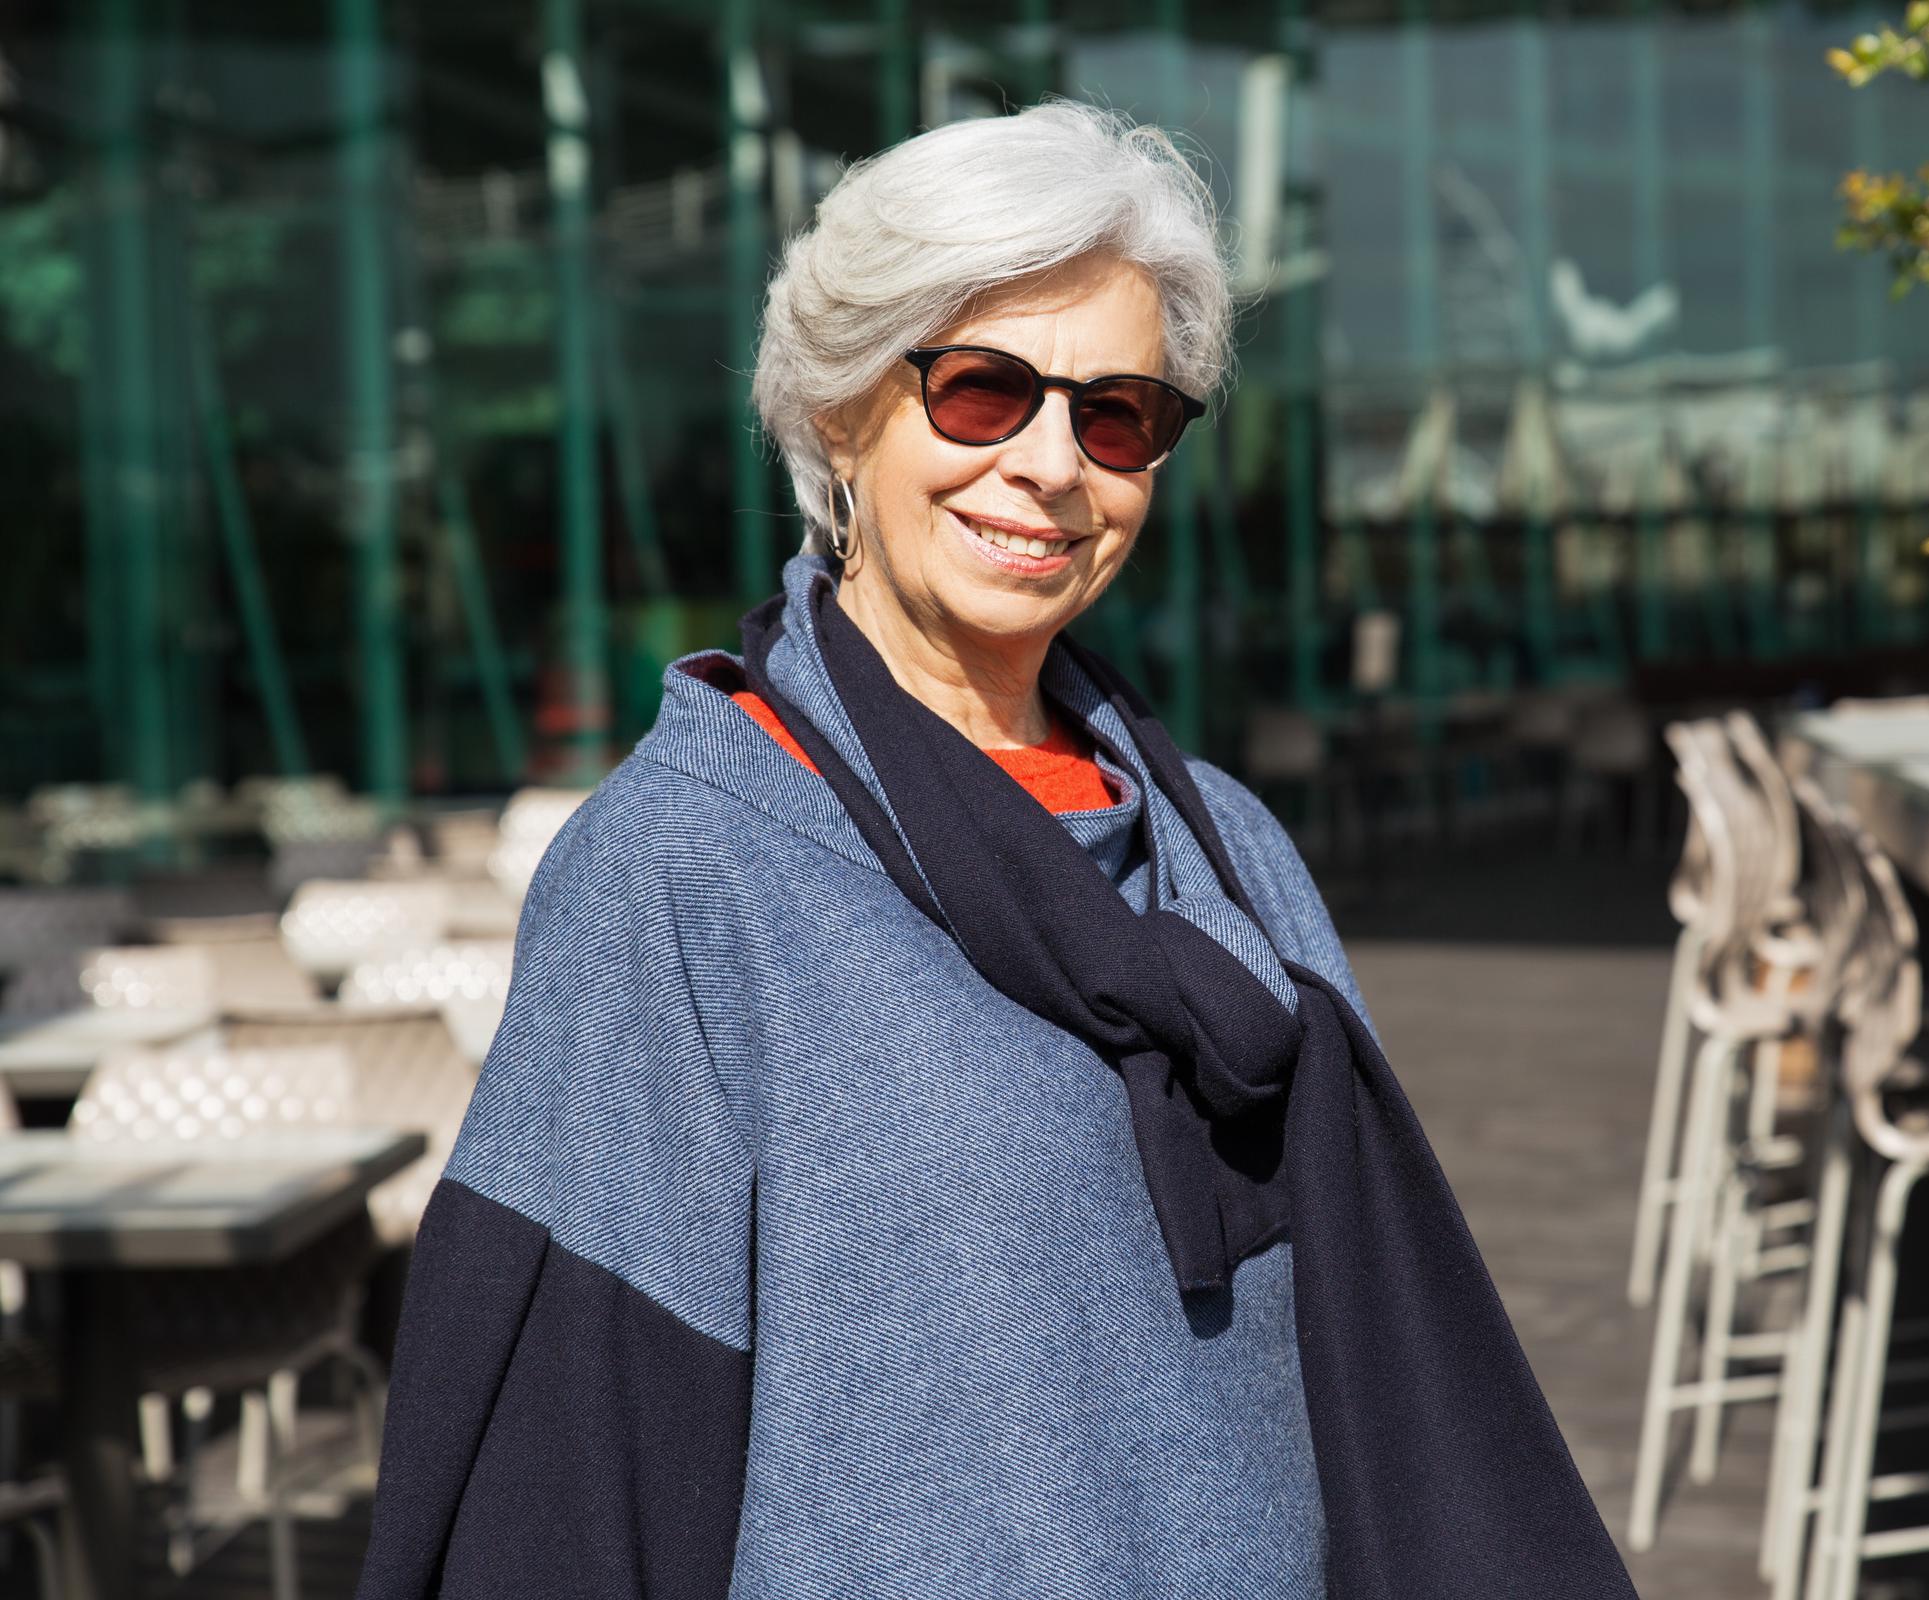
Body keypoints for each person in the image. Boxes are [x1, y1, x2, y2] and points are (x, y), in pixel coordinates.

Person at [355, 102, 1635, 1600]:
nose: (1050, 468)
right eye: (980, 392)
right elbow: (566, 1478)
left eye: (1116, 416)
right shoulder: (683, 872)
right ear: (843, 413)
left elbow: (1379, 1402)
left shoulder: (1224, 855)